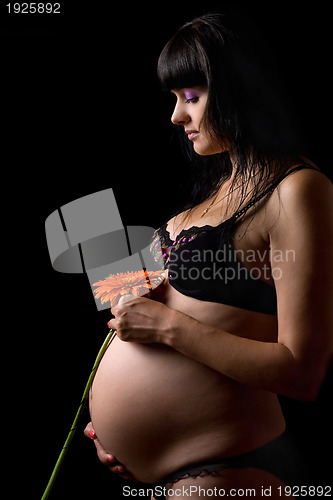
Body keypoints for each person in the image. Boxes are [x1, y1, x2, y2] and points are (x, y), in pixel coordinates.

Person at [84, 13, 333, 499]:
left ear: (238, 90)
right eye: (175, 100)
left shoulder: (297, 189)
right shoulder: (199, 206)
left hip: (230, 469)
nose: (177, 116)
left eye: (191, 97)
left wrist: (166, 328)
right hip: (161, 478)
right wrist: (112, 432)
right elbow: (124, 323)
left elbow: (303, 371)